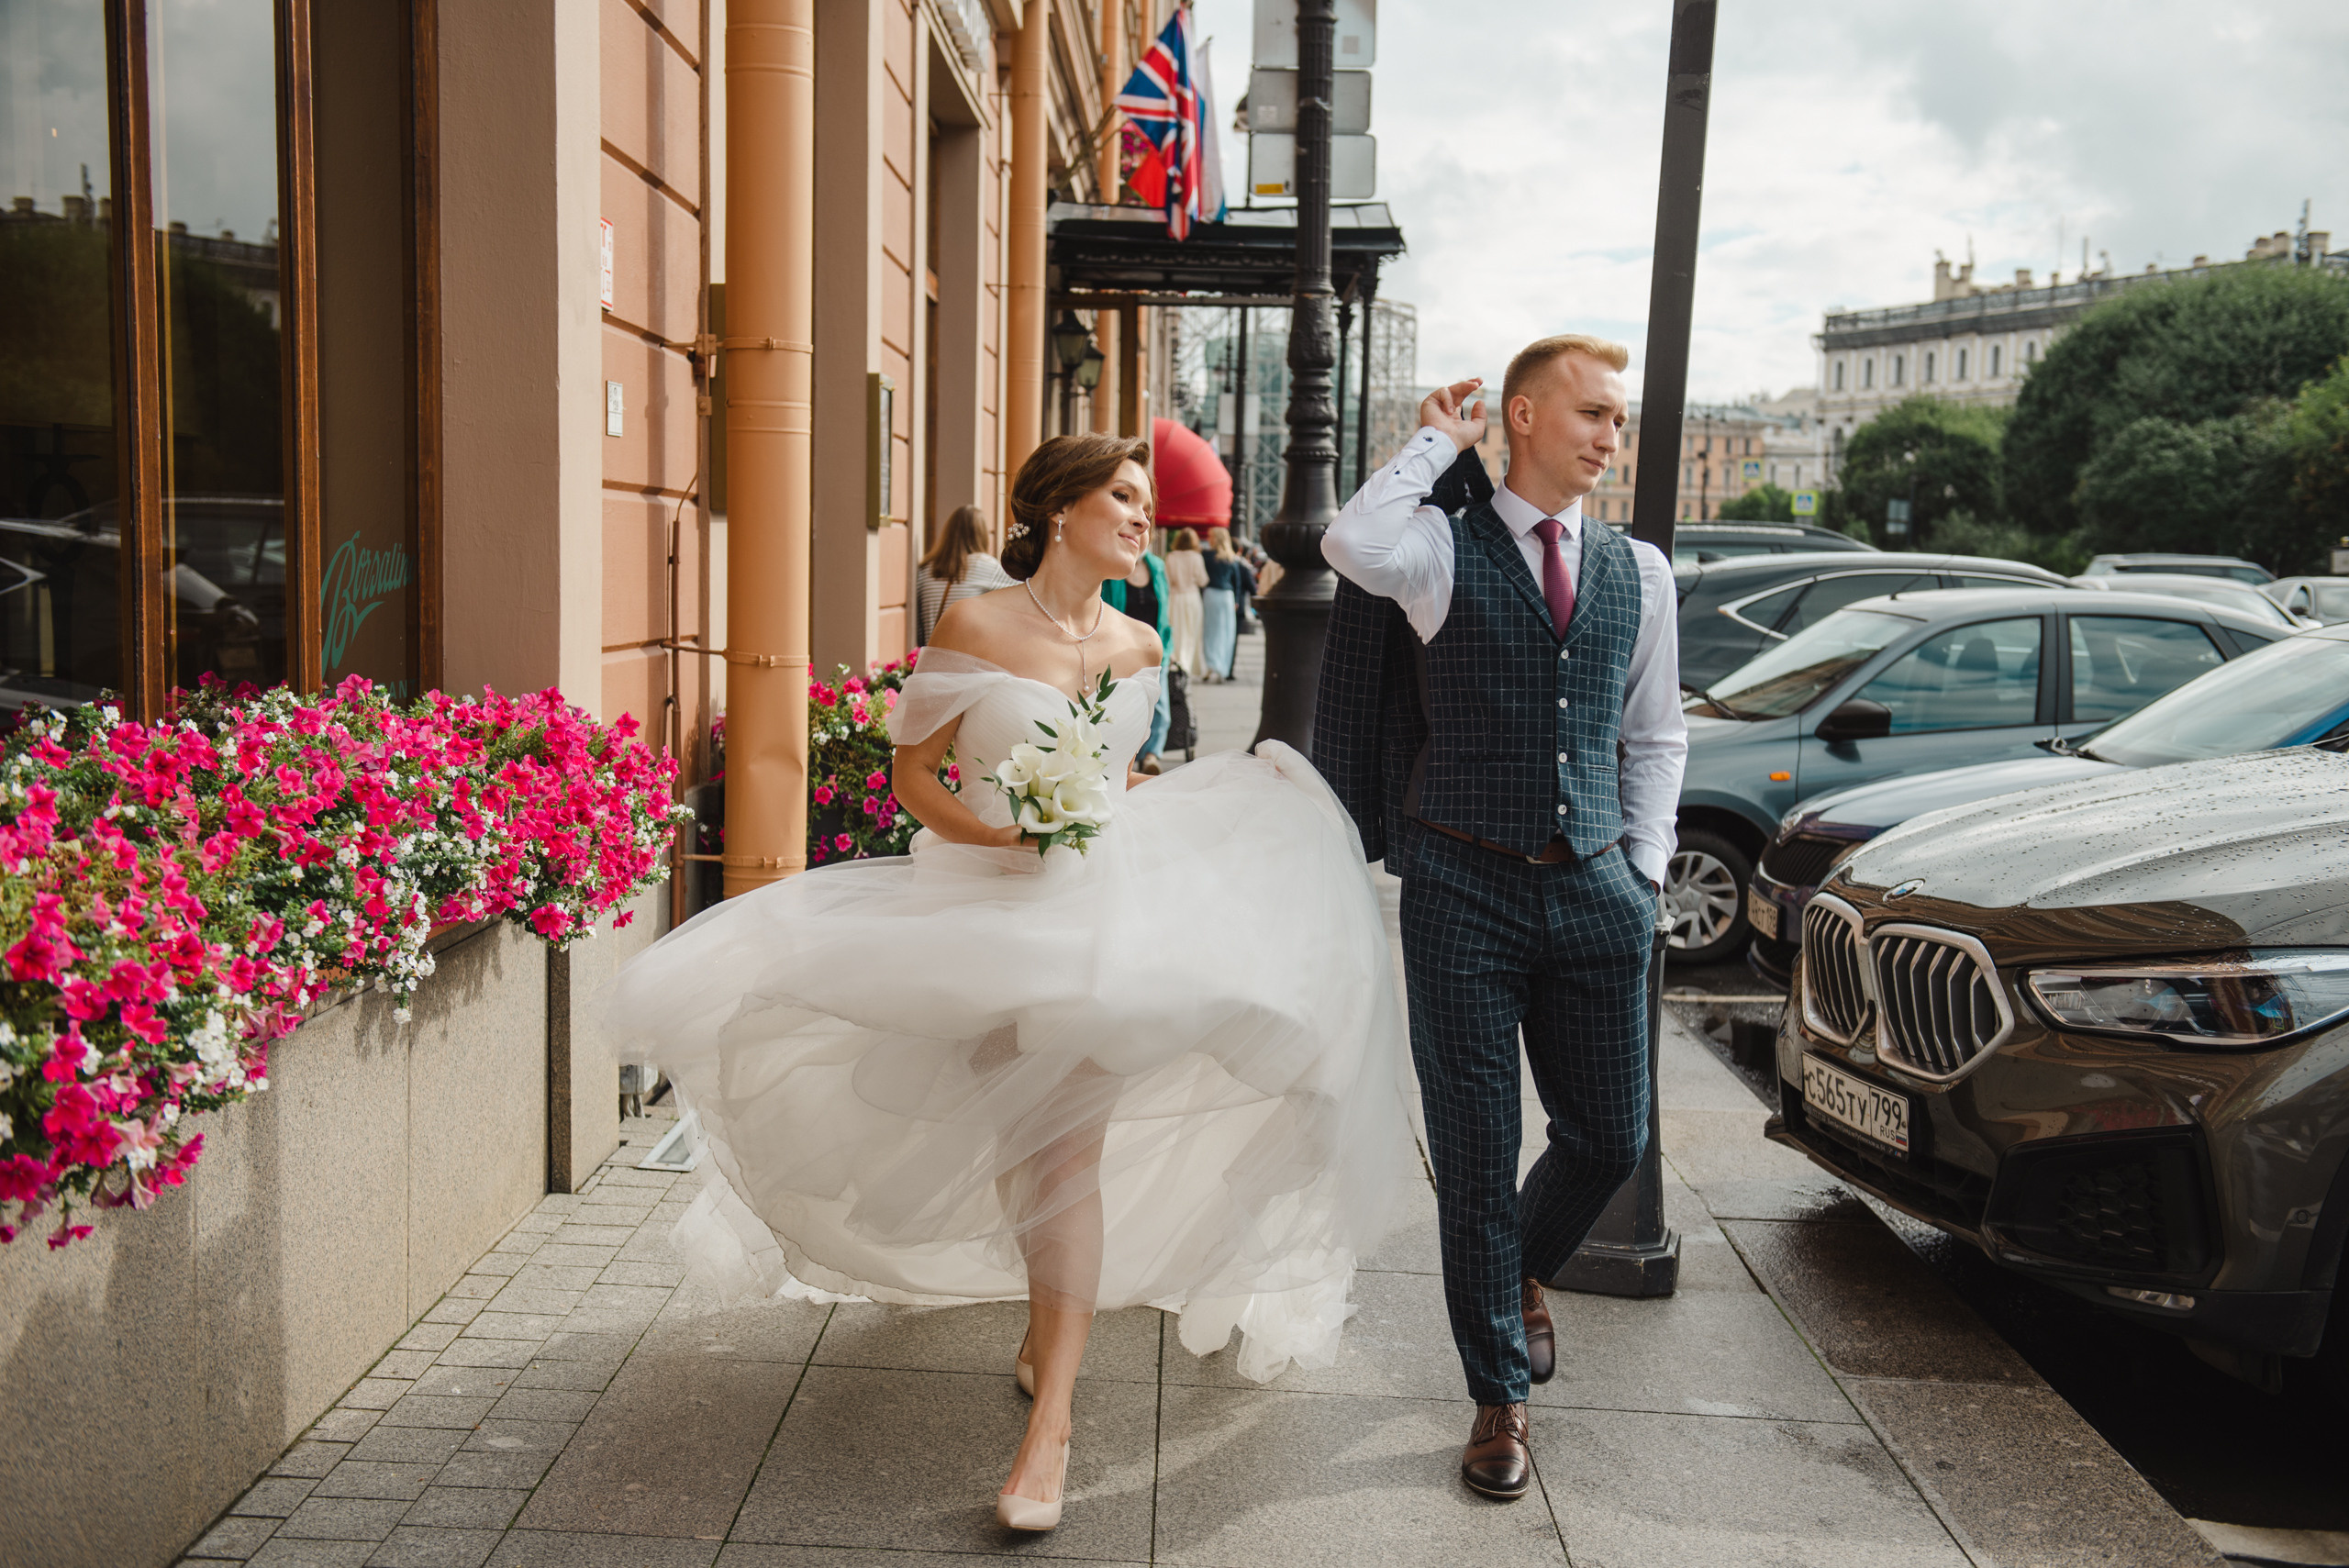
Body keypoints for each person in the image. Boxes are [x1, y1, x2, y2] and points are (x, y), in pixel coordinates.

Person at [607, 432, 1408, 1534]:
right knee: (1024, 1146)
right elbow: (912, 773)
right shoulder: (976, 624)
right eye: (1122, 496)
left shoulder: (1138, 639)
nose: (1144, 517)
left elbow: (1123, 773)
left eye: (1147, 500)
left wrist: (1143, 806)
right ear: (1060, 509)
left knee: (1066, 1149)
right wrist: (998, 831)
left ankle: (1053, 1423)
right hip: (982, 908)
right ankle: (1045, 1325)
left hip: (1109, 917)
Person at [1313, 336, 1687, 1501]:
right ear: (1521, 415)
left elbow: (1654, 734)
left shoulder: (1641, 570)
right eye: (1590, 413)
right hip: (1462, 888)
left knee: (1607, 1137)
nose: (1609, 436)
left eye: (1617, 419)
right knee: (1477, 1158)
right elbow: (1349, 543)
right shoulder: (1437, 548)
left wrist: (1644, 869)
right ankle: (1498, 1397)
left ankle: (1513, 1271)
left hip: (1598, 889)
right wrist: (1435, 441)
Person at [1102, 546, 1172, 770]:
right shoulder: (1114, 568)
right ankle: (1127, 758)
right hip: (1120, 650)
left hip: (1155, 650)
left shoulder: (1157, 567)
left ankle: (1152, 755)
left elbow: (1165, 610)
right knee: (1123, 706)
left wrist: (1167, 647)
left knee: (1160, 708)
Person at [917, 504, 1016, 644]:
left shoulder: (926, 569)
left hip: (931, 652)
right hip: (965, 653)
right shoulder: (985, 565)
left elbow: (919, 628)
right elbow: (1026, 589)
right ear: (981, 534)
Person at [1199, 527, 1243, 679]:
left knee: (1209, 631)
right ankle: (1222, 668)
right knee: (1226, 632)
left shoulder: (1206, 555)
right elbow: (1237, 582)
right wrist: (1236, 600)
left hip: (1211, 594)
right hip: (1227, 596)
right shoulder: (1231, 558)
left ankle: (1211, 664)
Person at [1163, 527, 1208, 678]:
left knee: (1176, 631)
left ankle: (1177, 663)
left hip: (1175, 597)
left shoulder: (1171, 557)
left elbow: (1167, 581)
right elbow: (1203, 580)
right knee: (1192, 632)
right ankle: (1189, 664)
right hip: (1192, 597)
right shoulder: (1197, 557)